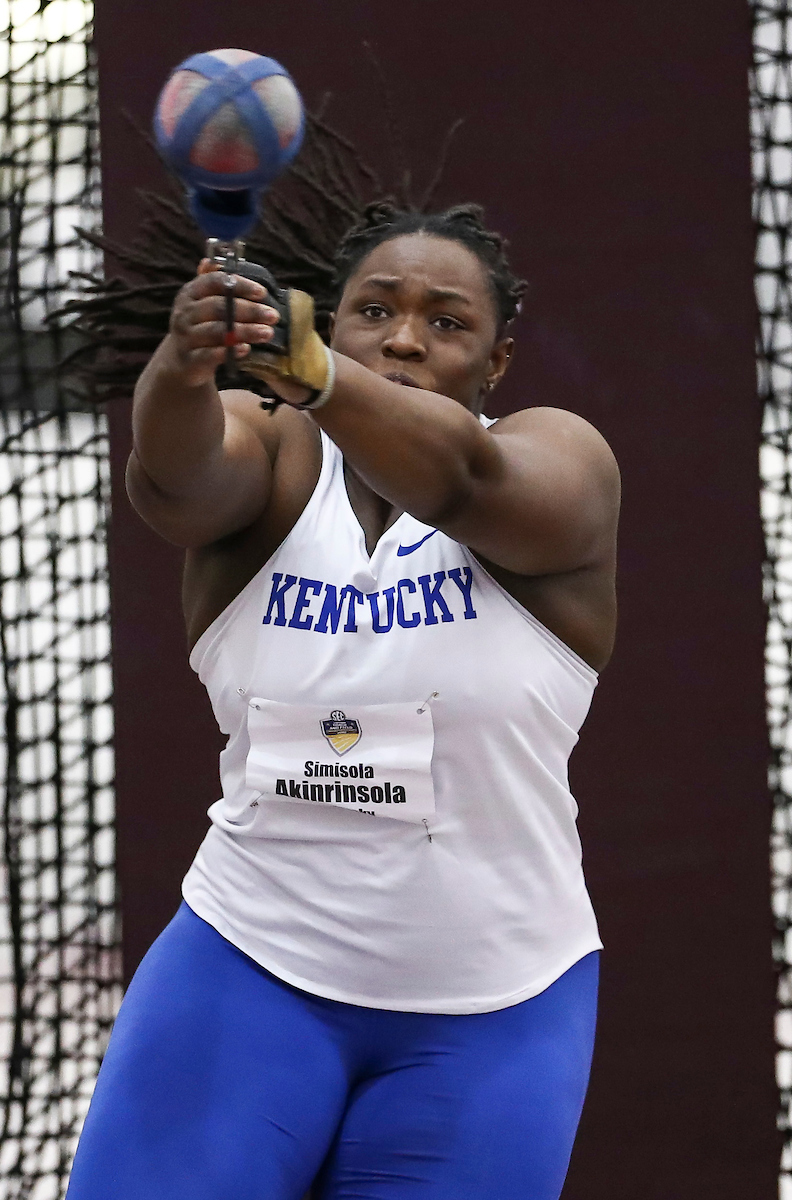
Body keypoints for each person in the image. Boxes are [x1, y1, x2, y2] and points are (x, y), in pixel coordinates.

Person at [65, 200, 619, 1200]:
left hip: (493, 1006)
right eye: (373, 311)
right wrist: (182, 370)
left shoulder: (556, 458)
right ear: (332, 314)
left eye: (446, 322)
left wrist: (324, 375)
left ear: (496, 362)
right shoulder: (274, 454)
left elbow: (465, 479)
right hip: (245, 970)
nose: (403, 337)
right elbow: (172, 481)